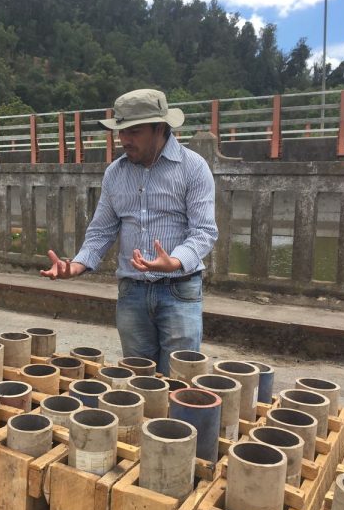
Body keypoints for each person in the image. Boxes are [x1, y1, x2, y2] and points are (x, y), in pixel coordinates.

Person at [40, 88, 218, 376]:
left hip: (179, 290)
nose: (124, 139)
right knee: (136, 380)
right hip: (132, 292)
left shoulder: (193, 168)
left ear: (159, 128)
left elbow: (204, 231)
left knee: (181, 379)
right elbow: (101, 231)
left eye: (134, 131)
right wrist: (76, 266)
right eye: (121, 131)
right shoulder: (115, 173)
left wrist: (175, 261)